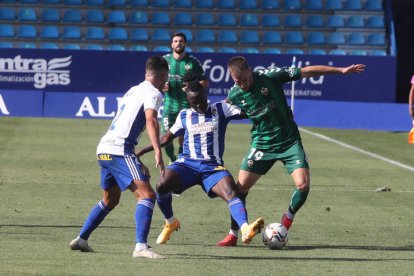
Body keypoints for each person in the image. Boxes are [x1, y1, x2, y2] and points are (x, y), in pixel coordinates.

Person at [217, 56, 366, 246]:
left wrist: (341, 70)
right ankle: (233, 234)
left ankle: (287, 218)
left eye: (244, 79)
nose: (243, 85)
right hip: (262, 144)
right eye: (238, 82)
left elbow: (307, 71)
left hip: (289, 141)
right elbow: (222, 114)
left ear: (249, 70)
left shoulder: (269, 77)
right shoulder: (235, 94)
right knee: (239, 189)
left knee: (303, 185)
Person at [136, 80, 264, 245]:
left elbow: (250, 111)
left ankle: (246, 229)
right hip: (186, 165)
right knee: (162, 183)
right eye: (193, 103)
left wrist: (270, 108)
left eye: (200, 101)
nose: (198, 105)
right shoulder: (184, 115)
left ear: (206, 95)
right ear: (188, 102)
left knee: (232, 192)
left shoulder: (220, 109)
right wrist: (141, 151)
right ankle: (170, 222)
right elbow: (167, 138)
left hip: (212, 167)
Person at [69, 56, 169, 259]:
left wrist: (136, 159)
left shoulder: (133, 90)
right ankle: (141, 247)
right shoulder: (154, 93)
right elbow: (150, 119)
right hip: (119, 149)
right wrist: (158, 150)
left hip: (104, 148)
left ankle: (81, 239)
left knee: (110, 199)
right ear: (162, 76)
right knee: (147, 195)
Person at [162, 32, 209, 163]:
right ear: (172, 44)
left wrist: (192, 85)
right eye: (176, 41)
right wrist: (161, 87)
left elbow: (205, 82)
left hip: (187, 107)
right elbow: (154, 80)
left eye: (181, 41)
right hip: (169, 107)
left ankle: (180, 159)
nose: (178, 43)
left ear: (185, 44)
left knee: (184, 137)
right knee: (166, 137)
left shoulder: (192, 62)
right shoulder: (164, 61)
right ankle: (172, 159)